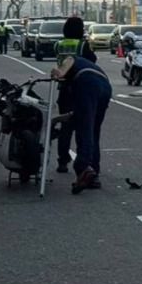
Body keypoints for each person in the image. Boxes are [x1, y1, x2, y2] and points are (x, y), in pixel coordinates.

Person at [51, 41, 112, 194]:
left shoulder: (71, 59)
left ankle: (83, 168)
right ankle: (94, 173)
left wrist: (56, 72)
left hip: (88, 84)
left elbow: (62, 72)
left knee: (84, 129)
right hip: (105, 86)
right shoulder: (88, 64)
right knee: (94, 130)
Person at [53, 17, 97, 174]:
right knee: (82, 126)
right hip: (79, 88)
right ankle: (82, 161)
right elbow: (92, 60)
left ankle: (62, 161)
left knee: (65, 127)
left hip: (64, 88)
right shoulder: (82, 45)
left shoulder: (59, 44)